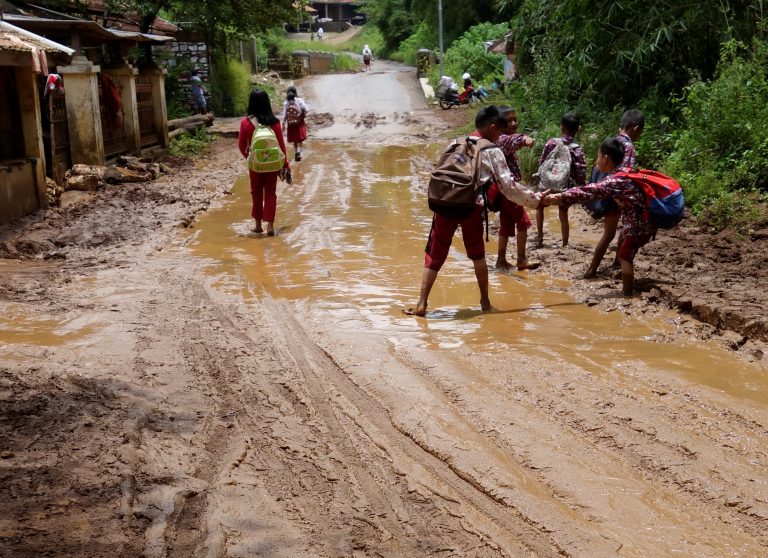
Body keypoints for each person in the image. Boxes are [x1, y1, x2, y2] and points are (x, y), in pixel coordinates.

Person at [404, 105, 543, 317]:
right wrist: (537, 201)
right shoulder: (492, 150)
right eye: (499, 132)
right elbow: (508, 186)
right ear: (492, 127)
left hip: (445, 201)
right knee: (477, 255)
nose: (499, 137)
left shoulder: (455, 142)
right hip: (471, 206)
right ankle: (485, 303)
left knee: (435, 253)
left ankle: (422, 303)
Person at [543, 137, 654, 296]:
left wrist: (560, 197)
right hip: (641, 221)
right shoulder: (623, 173)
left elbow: (590, 191)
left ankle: (627, 294)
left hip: (639, 223)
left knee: (624, 255)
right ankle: (626, 286)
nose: (596, 162)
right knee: (626, 250)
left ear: (605, 158)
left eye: (598, 156)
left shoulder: (616, 180)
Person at [584, 109, 644, 277]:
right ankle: (594, 269)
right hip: (616, 195)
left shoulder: (612, 142)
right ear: (636, 128)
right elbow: (625, 174)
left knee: (611, 233)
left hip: (606, 192)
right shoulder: (629, 147)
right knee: (614, 232)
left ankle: (605, 266)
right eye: (640, 132)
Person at [486, 106, 539, 270]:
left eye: (515, 119)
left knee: (506, 224)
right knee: (523, 223)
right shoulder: (503, 139)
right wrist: (525, 139)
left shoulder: (496, 139)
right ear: (500, 123)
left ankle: (501, 259)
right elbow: (515, 139)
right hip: (510, 191)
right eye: (509, 120)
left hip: (502, 191)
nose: (514, 123)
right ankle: (521, 260)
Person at [238, 89, 290, 236]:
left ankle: (258, 225)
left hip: (255, 166)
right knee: (271, 193)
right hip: (272, 165)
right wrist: (285, 164)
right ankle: (270, 227)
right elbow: (281, 146)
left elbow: (242, 145)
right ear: (267, 103)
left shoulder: (245, 123)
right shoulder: (275, 123)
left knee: (256, 192)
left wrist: (250, 159)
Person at [535, 112, 587, 247]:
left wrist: (541, 177)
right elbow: (580, 170)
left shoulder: (551, 142)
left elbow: (542, 161)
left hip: (546, 183)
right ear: (578, 129)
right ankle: (564, 243)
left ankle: (540, 237)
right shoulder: (577, 149)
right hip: (564, 185)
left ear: (561, 127)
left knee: (540, 207)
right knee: (563, 213)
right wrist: (581, 186)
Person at [282, 85, 309, 162]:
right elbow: (306, 109)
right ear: (295, 92)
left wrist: (283, 124)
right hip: (299, 123)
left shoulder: (286, 103)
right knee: (300, 139)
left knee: (295, 139)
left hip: (291, 124)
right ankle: (298, 152)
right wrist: (303, 113)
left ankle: (296, 152)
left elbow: (284, 115)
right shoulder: (299, 101)